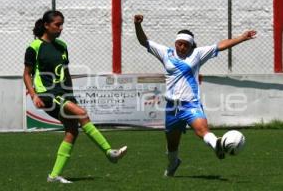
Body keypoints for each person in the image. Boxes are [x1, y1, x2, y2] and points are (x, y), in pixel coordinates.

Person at [134, 14, 256, 177]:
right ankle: (173, 163)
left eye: (186, 45)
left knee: (202, 130)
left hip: (190, 104)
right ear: (175, 42)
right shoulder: (166, 53)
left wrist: (242, 37)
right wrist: (137, 25)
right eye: (179, 43)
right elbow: (144, 42)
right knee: (172, 146)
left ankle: (217, 145)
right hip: (172, 107)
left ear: (191, 46)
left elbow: (221, 45)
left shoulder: (197, 54)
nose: (182, 47)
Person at [23, 10, 127, 184]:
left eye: (62, 24)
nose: (60, 28)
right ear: (47, 25)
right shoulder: (34, 47)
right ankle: (110, 152)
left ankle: (54, 175)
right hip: (47, 93)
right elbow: (27, 74)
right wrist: (33, 95)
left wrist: (71, 94)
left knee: (72, 130)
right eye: (57, 24)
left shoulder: (62, 46)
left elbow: (66, 72)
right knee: (82, 113)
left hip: (64, 94)